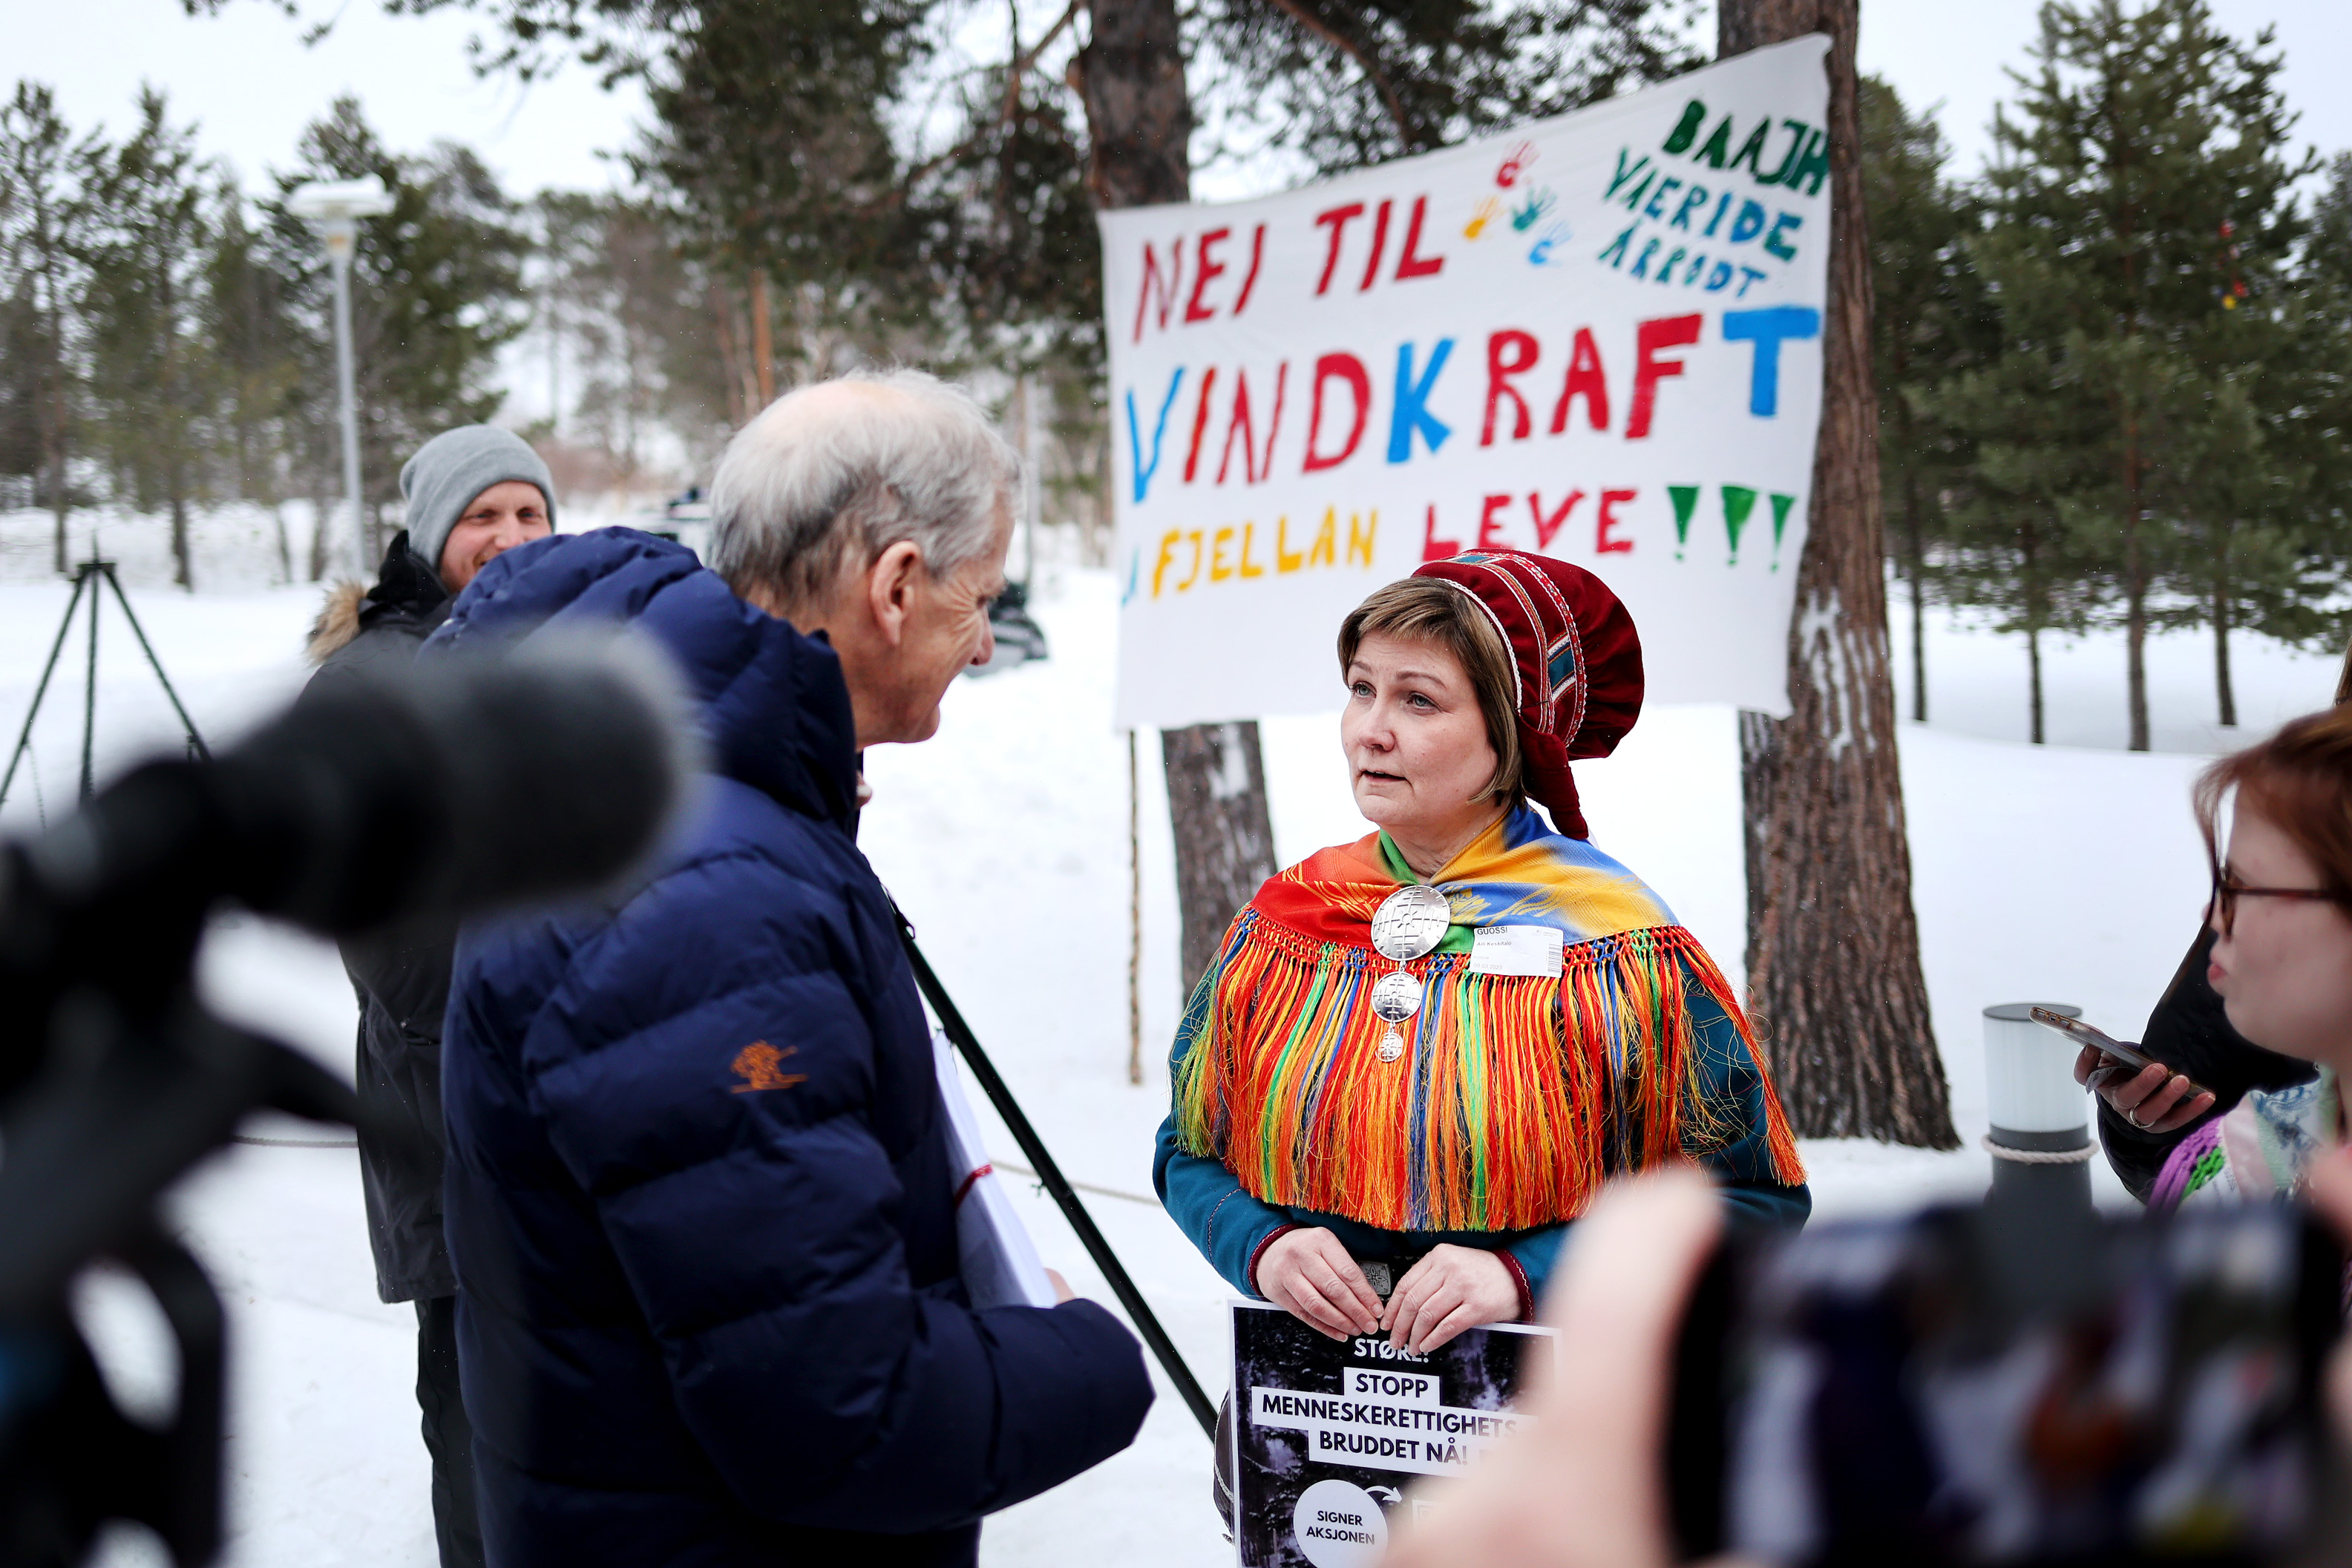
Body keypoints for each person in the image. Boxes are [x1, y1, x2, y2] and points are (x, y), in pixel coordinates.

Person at [431, 370, 1153, 1567]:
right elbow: (840, 1414)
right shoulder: (706, 902)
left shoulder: (664, 806)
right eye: (978, 598)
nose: (981, 643)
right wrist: (1085, 1356)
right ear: (895, 583)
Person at [1384, 706, 2352, 1568]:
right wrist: (2172, 1140)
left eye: (2245, 885)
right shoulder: (2284, 1145)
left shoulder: (1623, 938)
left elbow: (1757, 1196)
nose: (2208, 918)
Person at [1156, 549, 1809, 1354]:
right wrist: (1260, 1244)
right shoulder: (1287, 923)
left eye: (1418, 700)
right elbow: (1187, 1150)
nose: (1371, 729)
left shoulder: (1617, 947)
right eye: (1362, 688)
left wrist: (1527, 1272)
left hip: (1547, 1436)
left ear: (1510, 738)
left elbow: (1754, 1201)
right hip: (1310, 1441)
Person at [301, 424, 554, 1568]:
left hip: (564, 1112)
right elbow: (386, 938)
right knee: (478, 1421)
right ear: (429, 531)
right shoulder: (374, 679)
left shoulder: (559, 648)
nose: (506, 539)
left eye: (529, 514)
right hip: (449, 1113)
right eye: (482, 517)